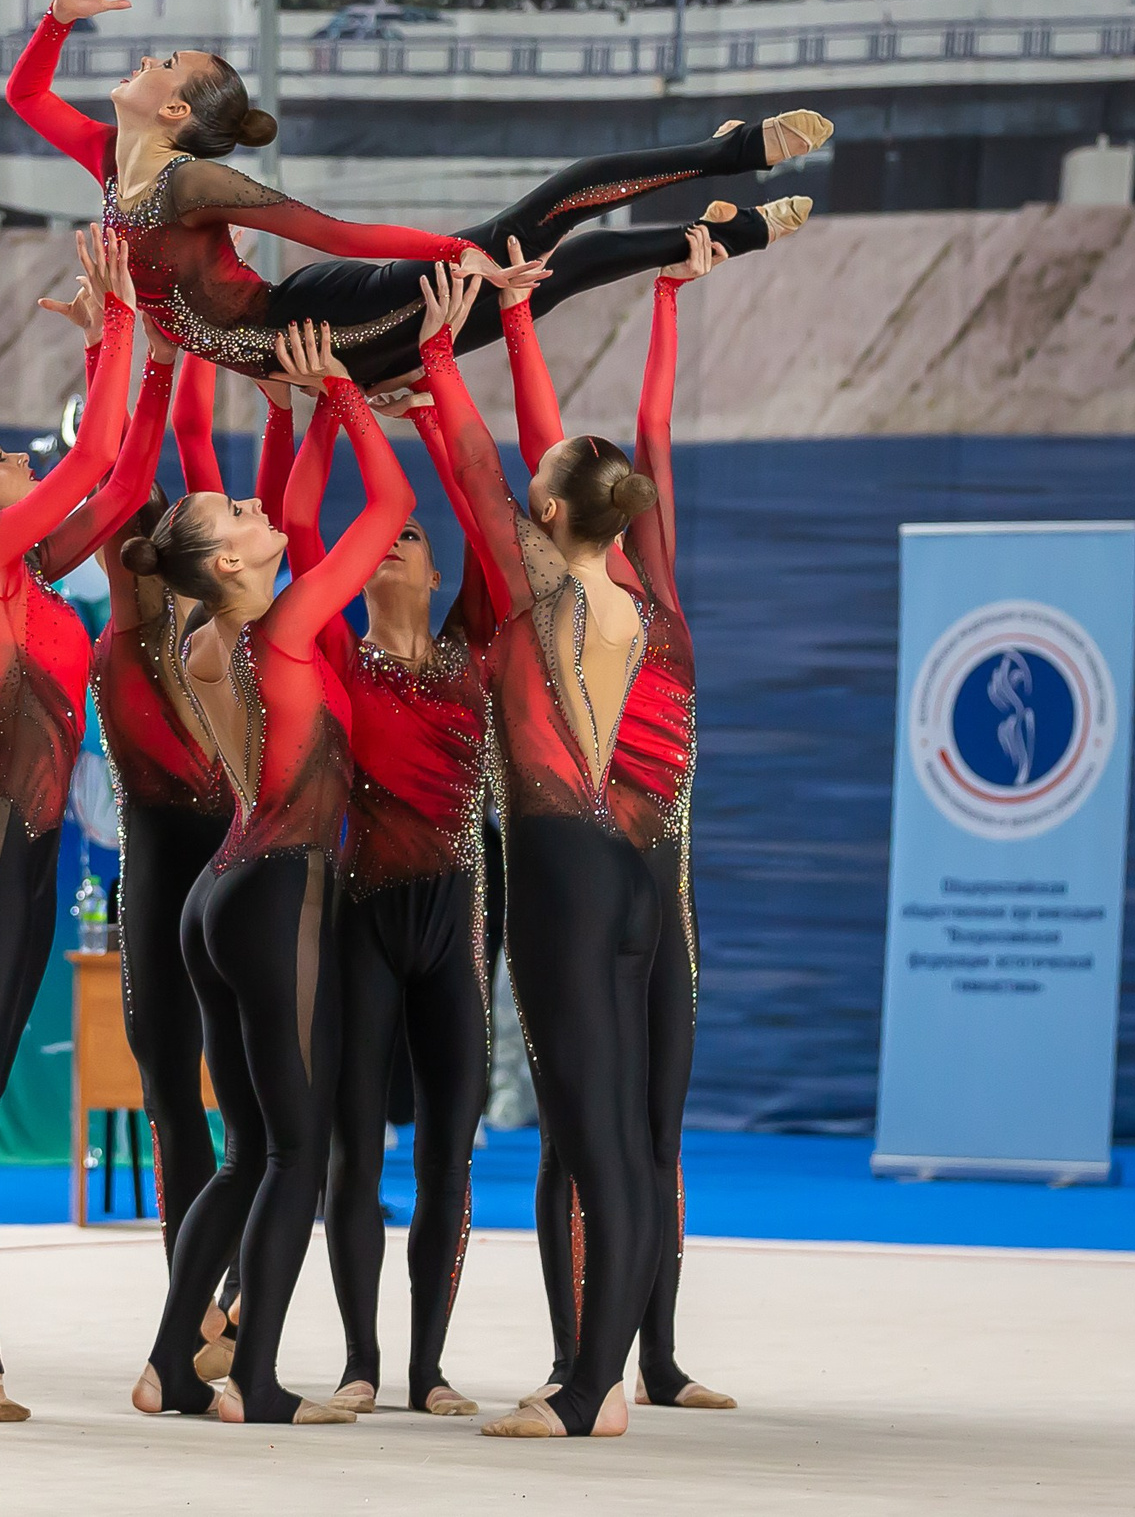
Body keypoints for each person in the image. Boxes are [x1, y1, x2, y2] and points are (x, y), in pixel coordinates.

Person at [403, 229, 721, 1440]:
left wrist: (440, 352)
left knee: (594, 1143)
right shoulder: (648, 597)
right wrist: (653, 314)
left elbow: (474, 473)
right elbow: (641, 447)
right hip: (643, 882)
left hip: (566, 884)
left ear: (545, 514)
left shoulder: (536, 594)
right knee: (629, 1145)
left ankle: (586, 1389)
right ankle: (606, 1377)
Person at [11, 0, 824, 389]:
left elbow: (336, 235)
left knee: (525, 235)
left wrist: (456, 251)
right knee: (546, 280)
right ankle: (721, 234)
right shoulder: (112, 164)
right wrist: (59, 15)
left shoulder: (193, 182)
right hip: (317, 343)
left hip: (318, 324)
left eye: (157, 65)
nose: (140, 65)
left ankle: (733, 153)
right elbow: (24, 97)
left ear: (177, 111)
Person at [126, 318, 413, 1426]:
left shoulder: (204, 636)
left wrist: (300, 413)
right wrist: (338, 395)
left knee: (247, 1150)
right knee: (296, 1149)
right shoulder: (286, 628)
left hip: (219, 897)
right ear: (233, 562)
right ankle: (250, 1378)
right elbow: (383, 515)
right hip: (278, 890)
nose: (259, 510)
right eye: (239, 515)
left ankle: (165, 1361)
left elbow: (294, 519)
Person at [0, 224, 158, 1422]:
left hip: (33, 844)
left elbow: (131, 472)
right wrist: (111, 323)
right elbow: (95, 444)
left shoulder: (31, 573)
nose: (16, 458)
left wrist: (150, 348)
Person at [489, 224, 736, 1419]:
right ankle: (571, 1354)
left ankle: (654, 1357)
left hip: (657, 886)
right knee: (576, 1135)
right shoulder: (582, 589)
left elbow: (650, 443)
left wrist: (668, 311)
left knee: (650, 1130)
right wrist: (529, 323)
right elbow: (578, 448)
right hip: (611, 869)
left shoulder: (647, 586)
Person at [272, 274, 502, 1420]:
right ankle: (362, 1361)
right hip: (361, 916)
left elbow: (478, 498)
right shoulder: (335, 659)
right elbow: (306, 523)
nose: (401, 538)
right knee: (353, 1151)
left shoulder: (471, 647)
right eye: (389, 535)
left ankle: (431, 1369)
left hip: (455, 919)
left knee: (447, 1161)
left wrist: (435, 386)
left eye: (415, 535)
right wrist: (325, 405)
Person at [88, 336, 232, 1280]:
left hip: (211, 871)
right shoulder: (146, 636)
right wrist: (144, 340)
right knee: (181, 1089)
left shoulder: (207, 629)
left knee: (224, 1095)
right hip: (177, 874)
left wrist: (157, 339)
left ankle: (222, 1290)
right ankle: (202, 1291)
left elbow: (181, 438)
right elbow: (135, 463)